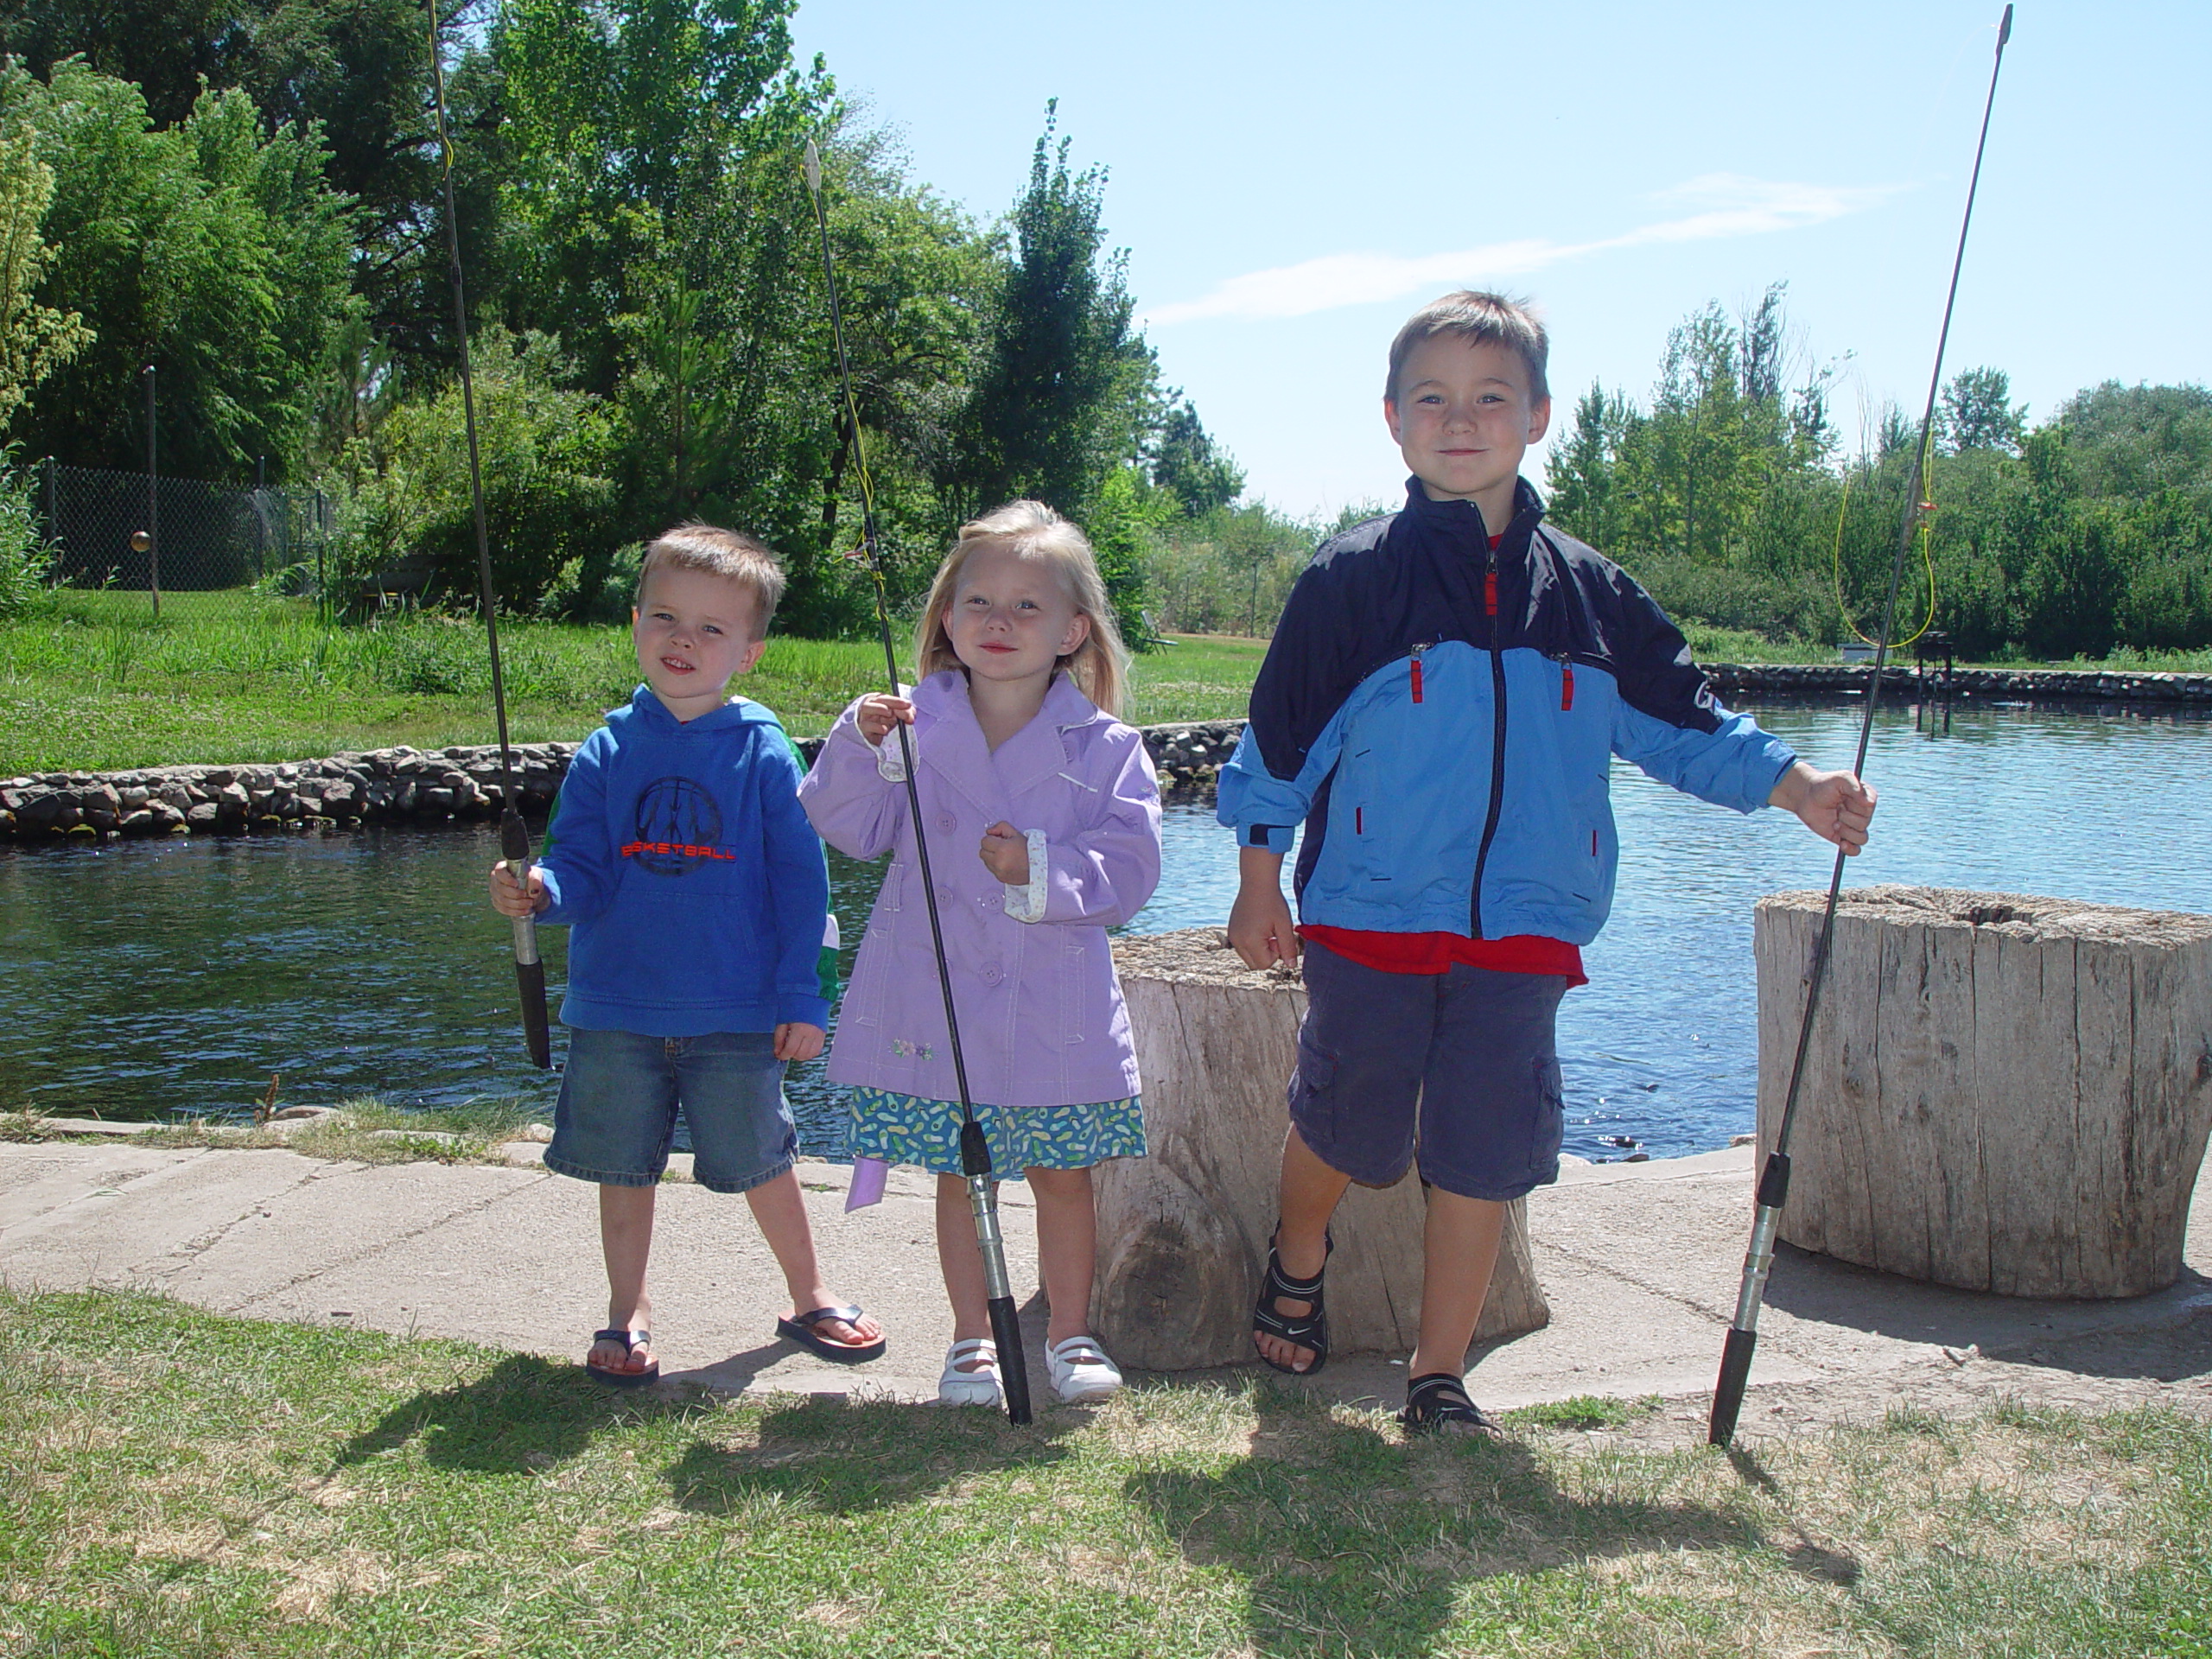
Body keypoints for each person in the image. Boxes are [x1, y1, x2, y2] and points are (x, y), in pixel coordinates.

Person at [1217, 291, 1876, 1433]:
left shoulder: (1590, 592)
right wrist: (1259, 873)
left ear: (1538, 416)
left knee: (1484, 1148)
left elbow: (1686, 721)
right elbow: (1280, 740)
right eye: (1433, 397)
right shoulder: (1351, 581)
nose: (1460, 419)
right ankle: (1298, 1243)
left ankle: (1439, 1373)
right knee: (1350, 1125)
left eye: (1489, 398)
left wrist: (1797, 786)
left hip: (1530, 923)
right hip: (1370, 915)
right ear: (1391, 418)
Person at [488, 524, 883, 1386]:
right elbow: (581, 871)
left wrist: (804, 999)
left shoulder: (764, 752)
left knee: (762, 1159)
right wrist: (540, 891)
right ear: (635, 623)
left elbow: (802, 891)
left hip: (738, 1012)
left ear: (748, 652)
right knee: (622, 1167)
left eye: (712, 628)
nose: (684, 640)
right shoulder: (604, 752)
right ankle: (627, 1312)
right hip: (617, 1008)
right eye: (666, 618)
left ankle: (809, 1292)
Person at [799, 500, 1162, 1408]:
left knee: (1061, 1175)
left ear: (1074, 630)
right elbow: (849, 826)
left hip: (1054, 1009)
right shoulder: (909, 728)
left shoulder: (1108, 746)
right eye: (978, 602)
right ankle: (972, 1342)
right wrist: (857, 745)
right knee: (966, 1175)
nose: (998, 623)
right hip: (938, 1001)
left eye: (1027, 606)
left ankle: (1072, 1334)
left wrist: (1034, 866)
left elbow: (1130, 869)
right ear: (945, 619)